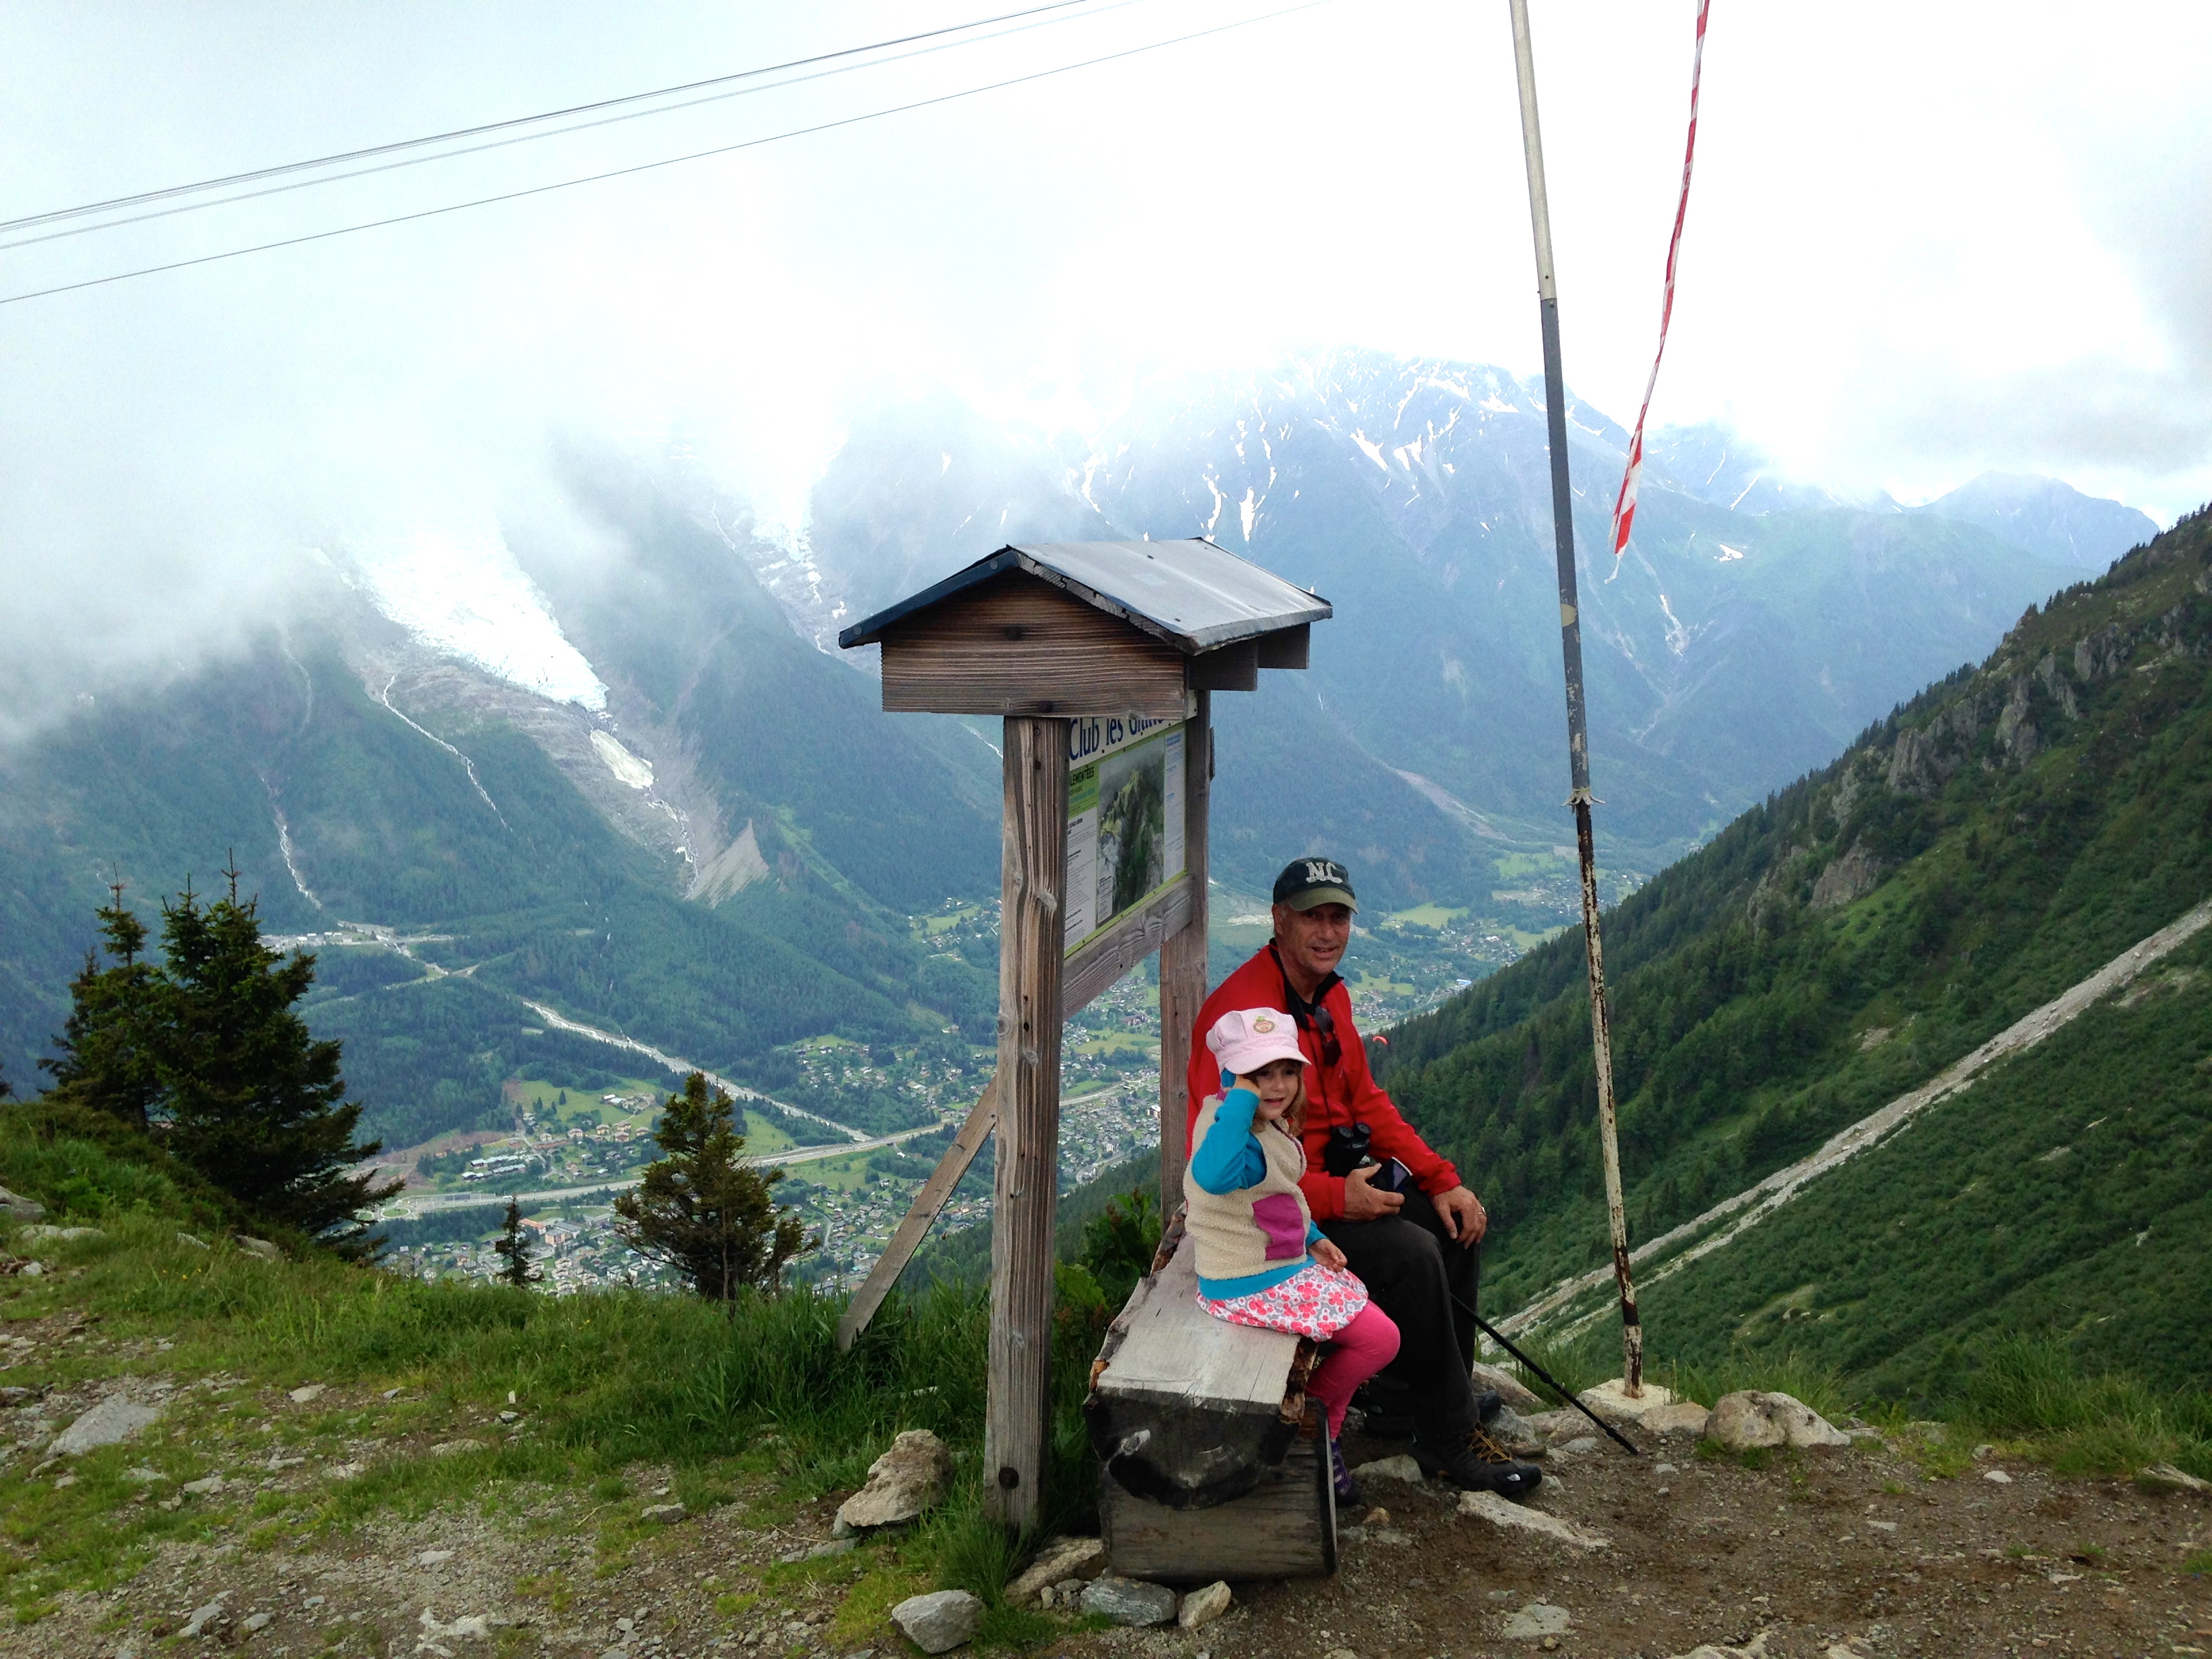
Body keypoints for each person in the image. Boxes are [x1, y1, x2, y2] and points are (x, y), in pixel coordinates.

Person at [1184, 857, 1540, 1498]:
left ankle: (1413, 1399)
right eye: (1312, 918)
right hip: (1271, 1221)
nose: (1328, 932)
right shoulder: (1242, 1019)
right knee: (1413, 1254)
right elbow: (1221, 1162)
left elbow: (1366, 1100)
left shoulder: (1329, 995)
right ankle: (1448, 1434)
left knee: (1455, 1225)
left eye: (1339, 917)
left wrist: (1441, 1178)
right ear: (1279, 920)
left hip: (1331, 1182)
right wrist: (1333, 1197)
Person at [1185, 1008, 1403, 1506]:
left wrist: (1313, 1236)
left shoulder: (1255, 1124)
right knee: (1381, 1340)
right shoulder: (1235, 1133)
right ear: (1233, 1078)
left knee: (1360, 1309)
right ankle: (1312, 1418)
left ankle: (1327, 1427)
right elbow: (1214, 1176)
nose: (1278, 1085)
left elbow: (1278, 1197)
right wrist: (1242, 1098)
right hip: (1248, 1278)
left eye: (1287, 1070)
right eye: (1260, 1073)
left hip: (1266, 1262)